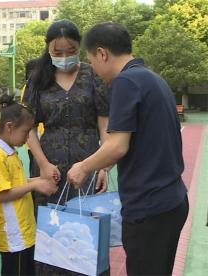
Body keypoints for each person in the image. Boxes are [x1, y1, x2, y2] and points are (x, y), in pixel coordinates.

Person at [67, 22, 188, 276]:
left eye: (91, 61)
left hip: (149, 206)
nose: (95, 71)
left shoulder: (126, 81)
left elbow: (117, 145)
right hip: (171, 200)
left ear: (102, 53)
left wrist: (84, 166)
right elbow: (138, 138)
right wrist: (106, 164)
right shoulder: (151, 78)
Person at [22, 19, 110, 209]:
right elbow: (29, 128)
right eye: (57, 53)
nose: (64, 57)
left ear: (80, 47)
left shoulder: (93, 75)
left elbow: (105, 125)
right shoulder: (38, 80)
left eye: (71, 52)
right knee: (51, 227)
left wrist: (104, 167)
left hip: (88, 163)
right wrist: (43, 164)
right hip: (50, 168)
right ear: (48, 50)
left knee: (87, 225)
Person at [0, 94, 57, 276]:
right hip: (13, 236)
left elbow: (17, 183)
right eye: (25, 132)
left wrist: (39, 181)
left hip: (24, 232)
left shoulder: (10, 152)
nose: (28, 138)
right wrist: (34, 186)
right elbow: (2, 194)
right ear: (10, 127)